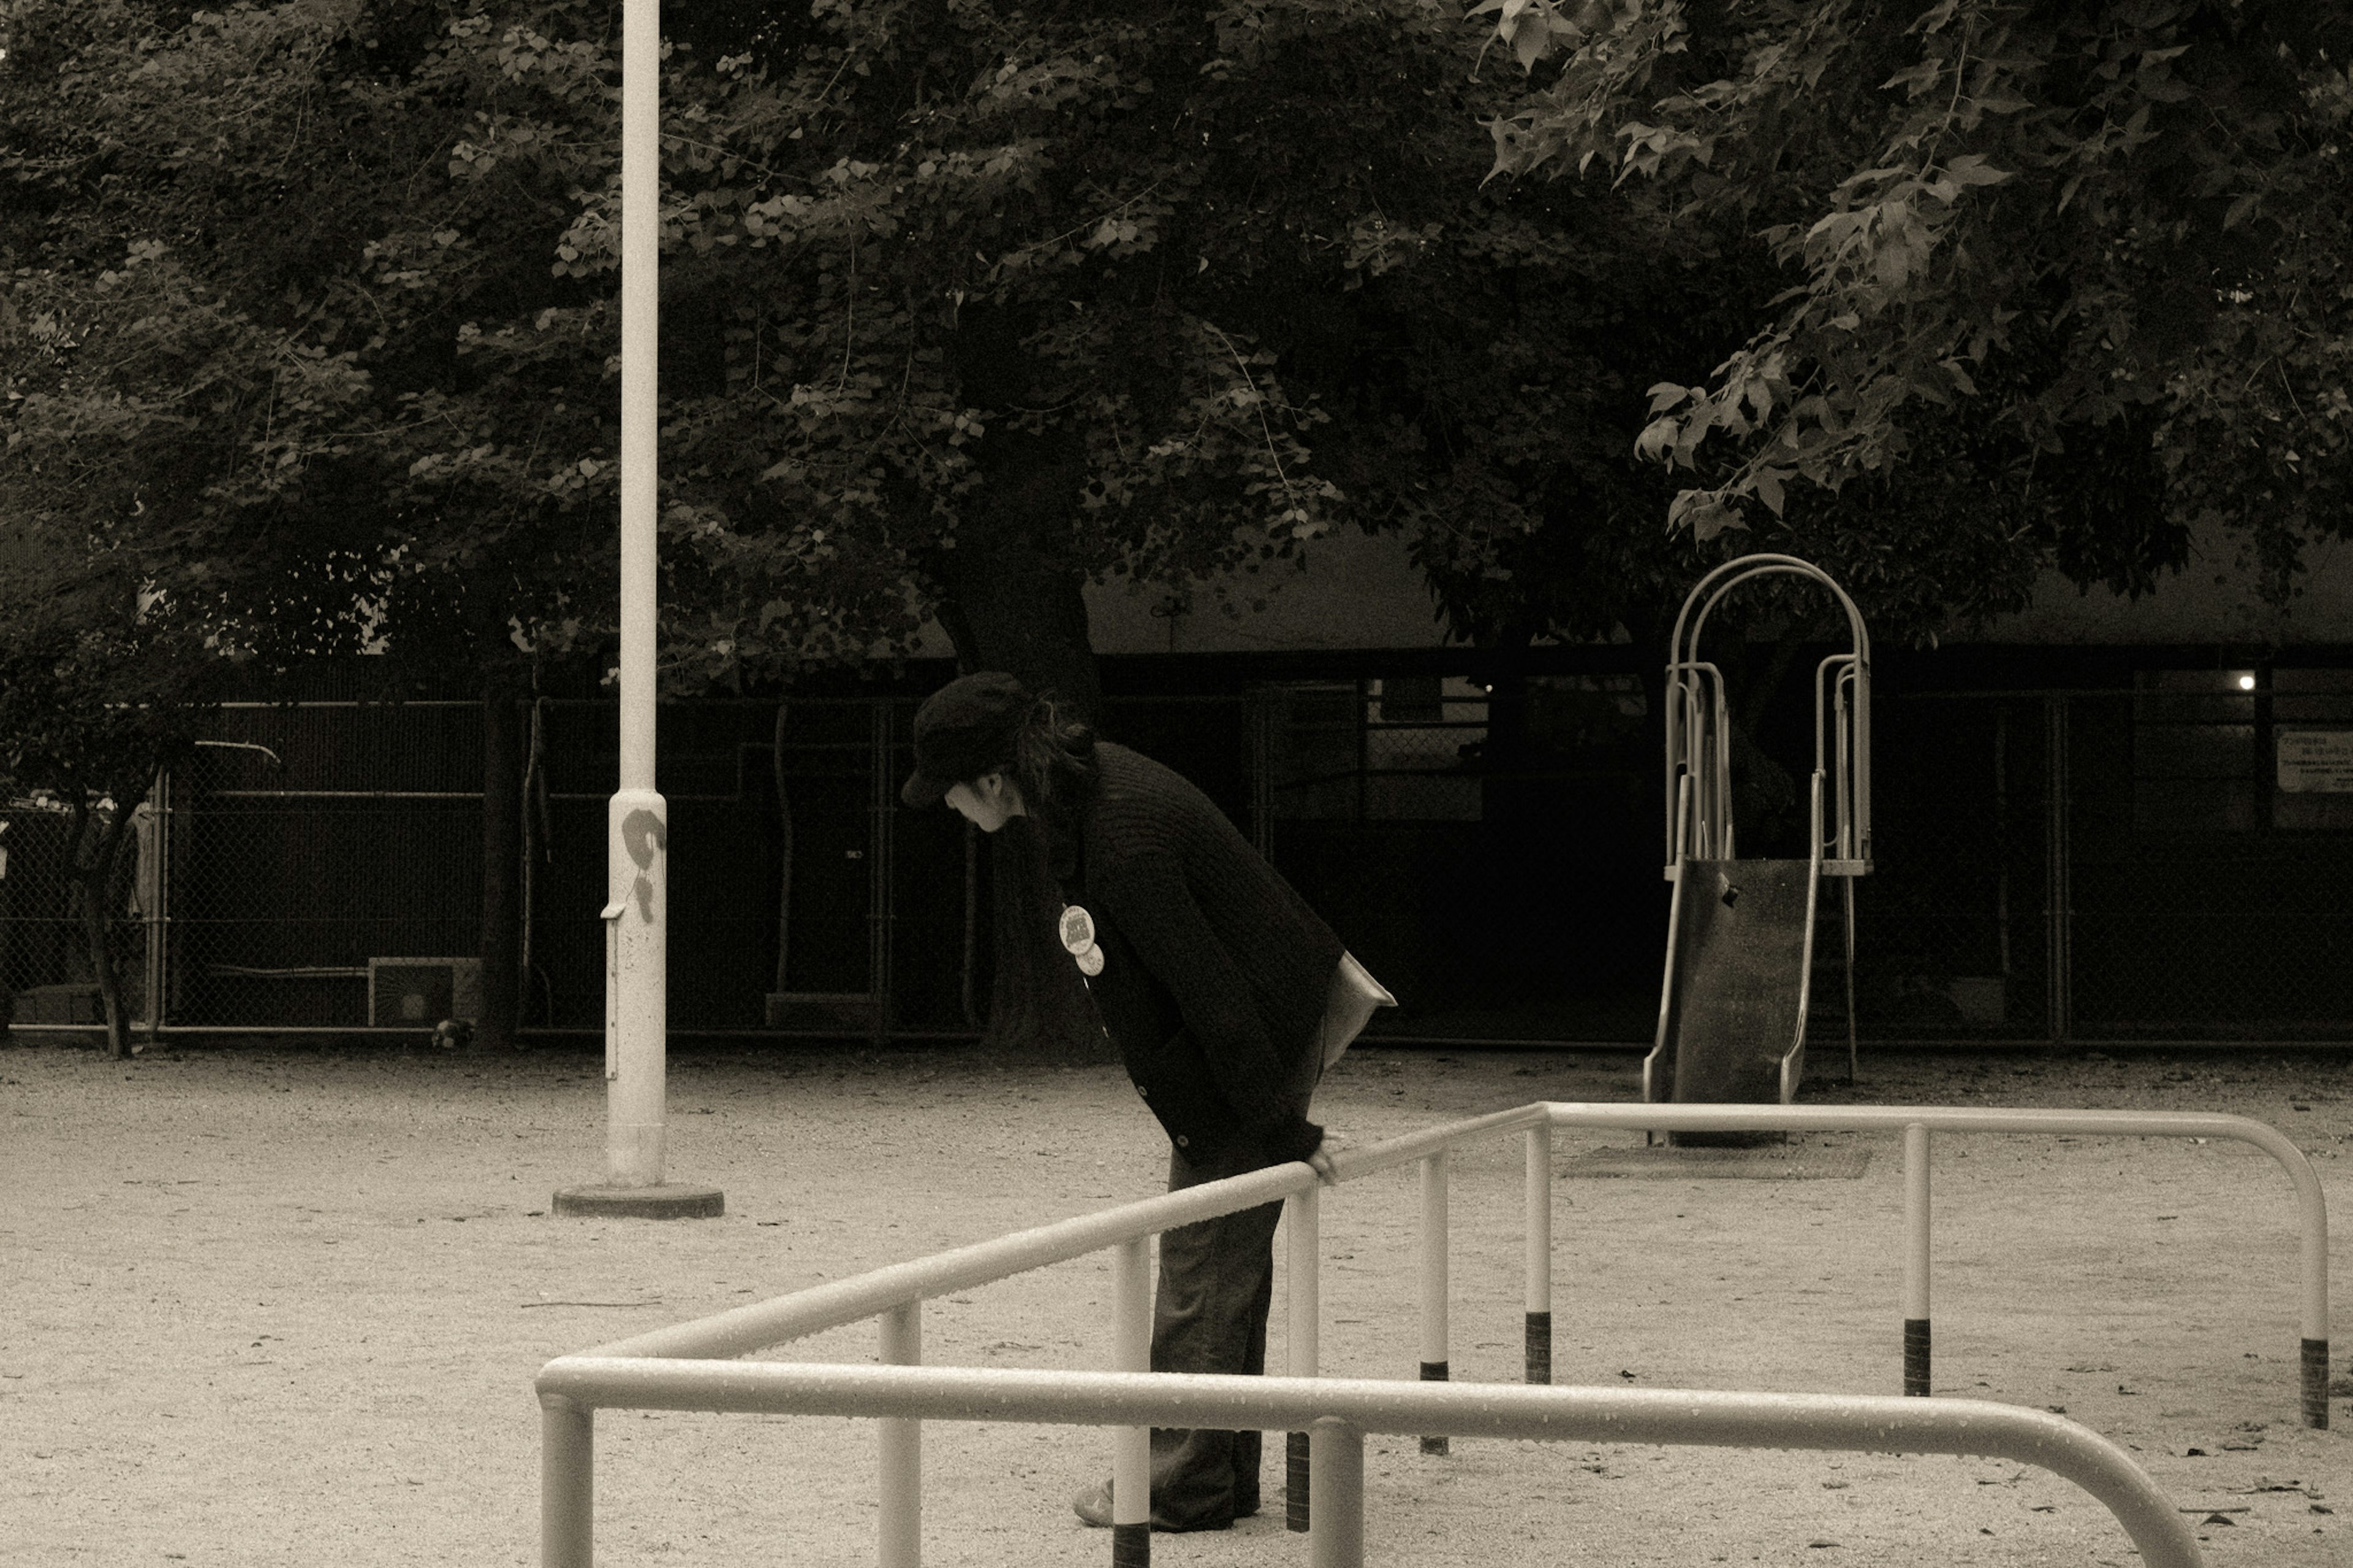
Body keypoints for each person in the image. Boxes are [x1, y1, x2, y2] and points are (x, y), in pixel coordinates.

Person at [900, 670, 1392, 1532]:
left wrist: (1285, 1126)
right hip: (1243, 1034)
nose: (947, 811)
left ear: (989, 781)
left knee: (1201, 1261)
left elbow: (1215, 998)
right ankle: (1217, 1475)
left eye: (947, 792)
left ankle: (1177, 1486)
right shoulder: (1084, 794)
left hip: (1252, 1039)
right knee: (1224, 1260)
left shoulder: (1119, 837)